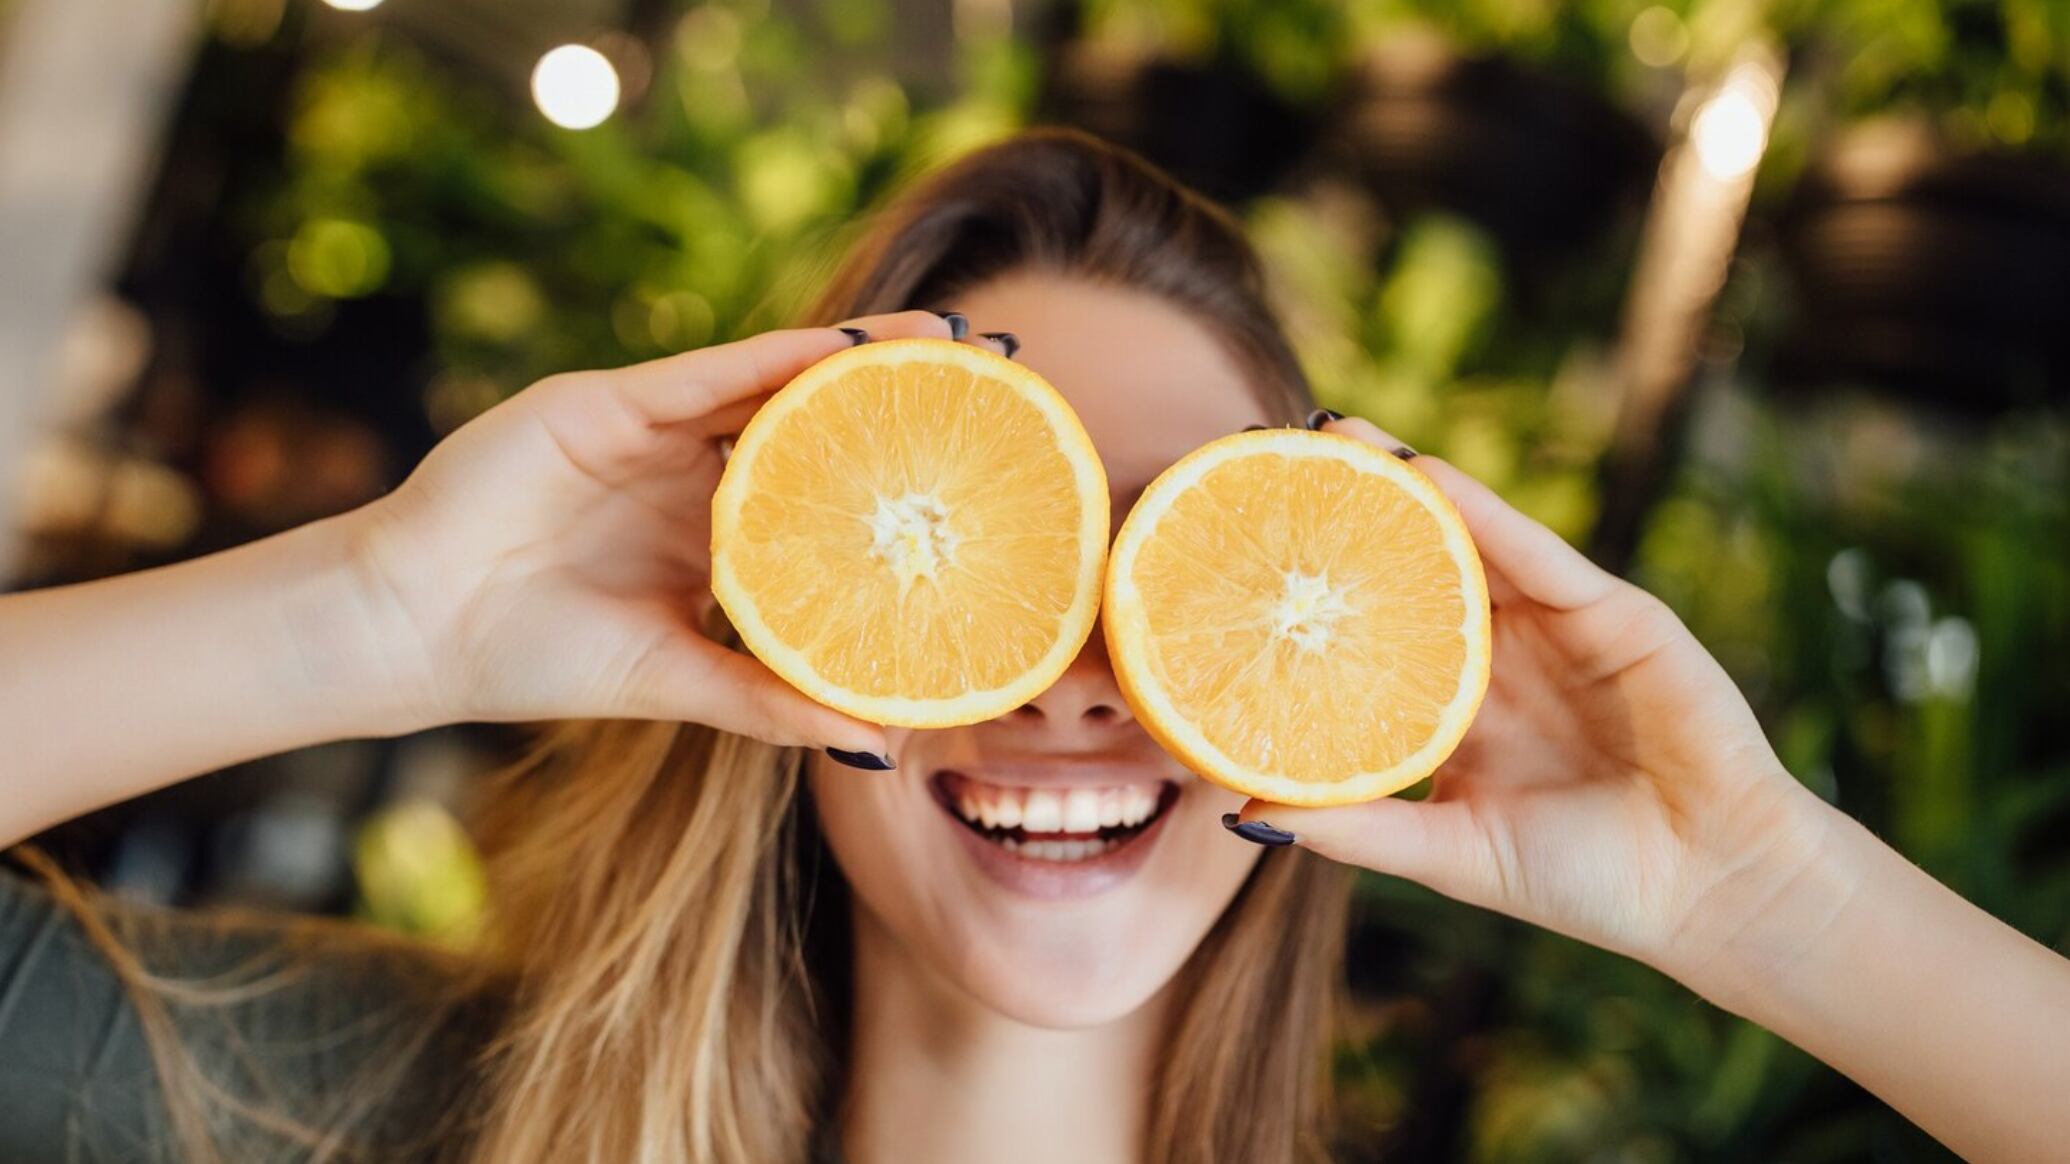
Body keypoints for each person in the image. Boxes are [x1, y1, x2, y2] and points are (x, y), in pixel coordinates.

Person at [1, 128, 2064, 1164]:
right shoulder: (335, 1104)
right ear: (764, 605)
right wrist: (380, 616)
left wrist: (1769, 899)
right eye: (974, 543)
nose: (1076, 673)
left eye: (1172, 547)